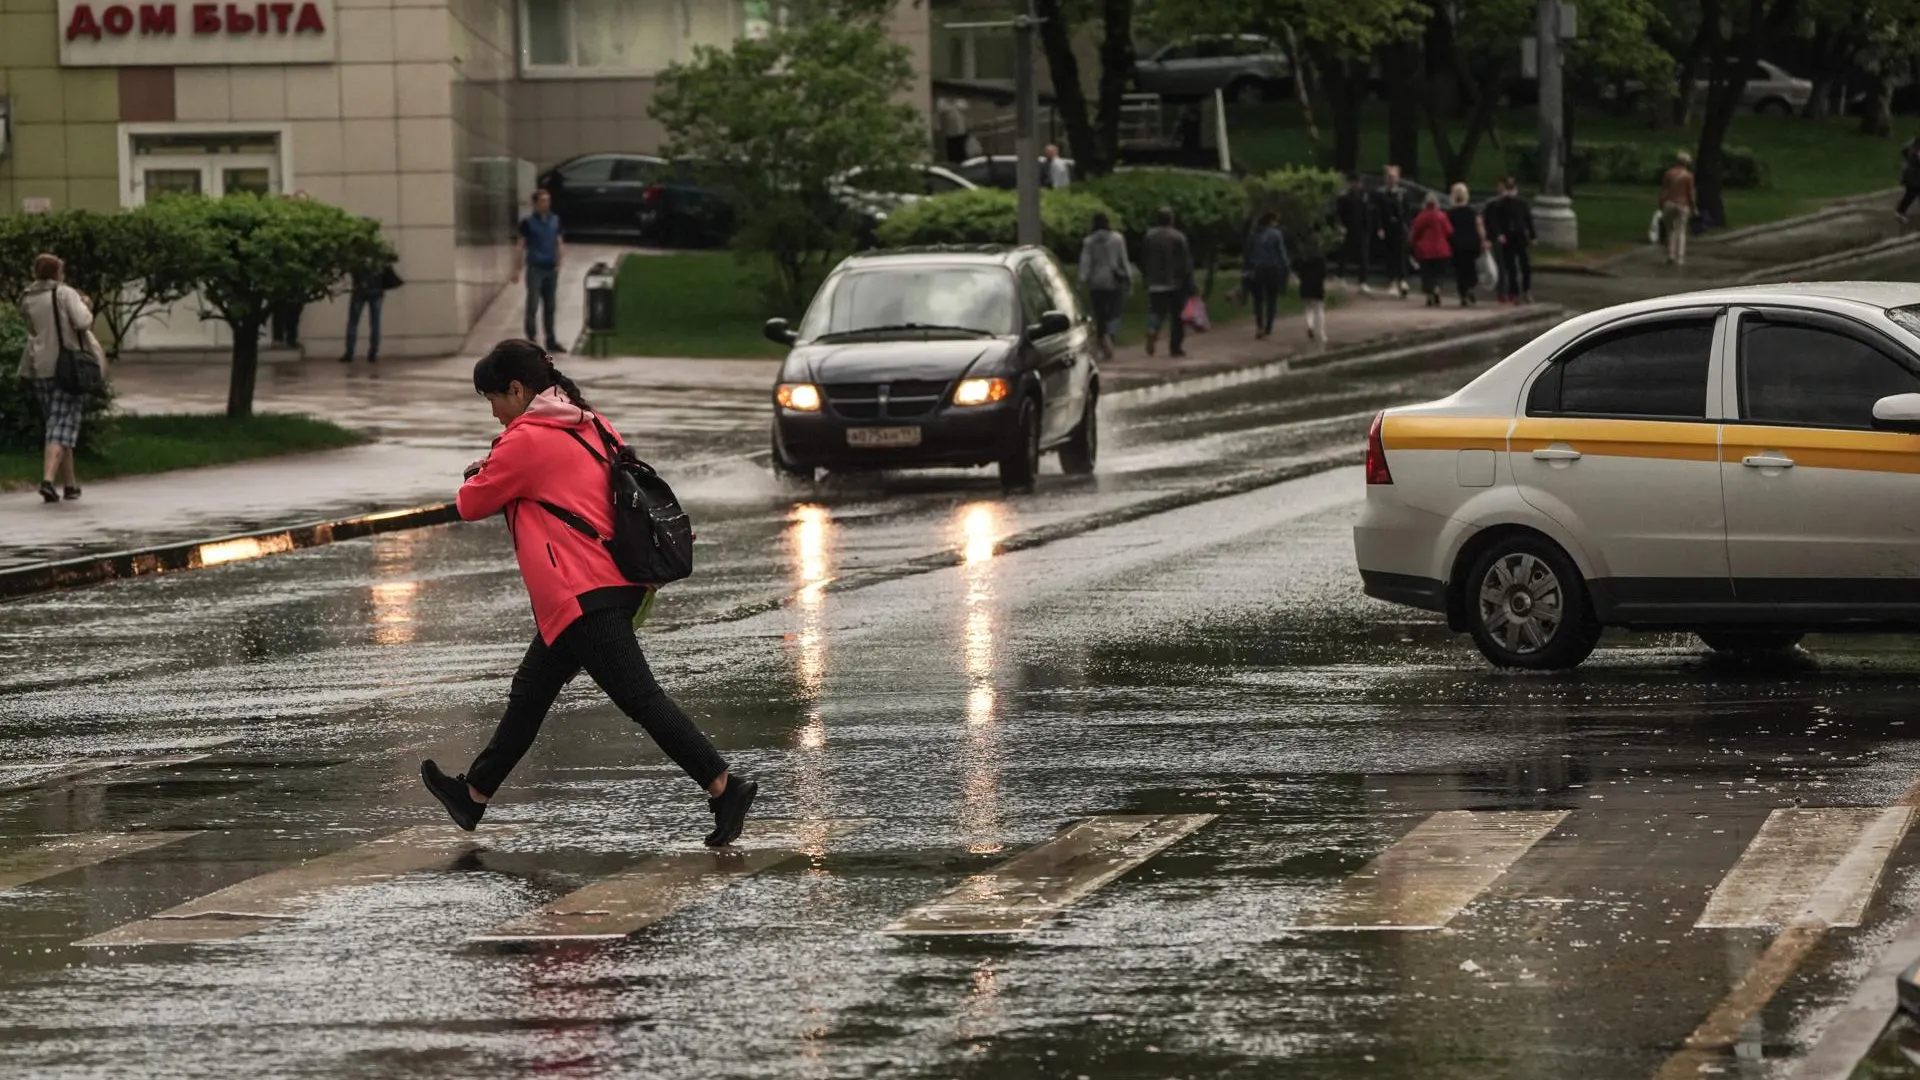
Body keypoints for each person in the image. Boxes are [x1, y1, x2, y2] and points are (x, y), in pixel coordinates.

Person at [421, 339, 757, 845]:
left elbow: (470, 503)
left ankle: (723, 787)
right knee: (529, 694)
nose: (492, 411)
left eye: (492, 398)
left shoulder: (526, 439)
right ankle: (473, 796)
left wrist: (482, 470)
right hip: (610, 580)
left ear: (517, 389)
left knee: (640, 698)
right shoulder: (590, 422)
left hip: (582, 589)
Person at [16, 254, 105, 503]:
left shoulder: (26, 296)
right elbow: (83, 320)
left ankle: (70, 484)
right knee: (60, 425)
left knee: (57, 422)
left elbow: (31, 326)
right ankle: (47, 480)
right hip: (67, 366)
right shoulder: (64, 293)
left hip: (39, 366)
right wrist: (85, 304)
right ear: (57, 273)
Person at [1141, 206, 1195, 358]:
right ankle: (1175, 347)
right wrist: (1190, 283)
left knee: (1156, 310)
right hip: (1175, 282)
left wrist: (1146, 276)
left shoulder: (1149, 236)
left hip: (1155, 281)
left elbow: (1143, 258)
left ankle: (1152, 329)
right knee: (1177, 316)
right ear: (1171, 219)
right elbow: (1186, 262)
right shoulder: (1178, 237)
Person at [516, 189, 566, 353]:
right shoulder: (528, 223)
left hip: (550, 268)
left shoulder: (555, 220)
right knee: (533, 304)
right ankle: (531, 339)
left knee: (550, 305)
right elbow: (520, 245)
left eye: (548, 200)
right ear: (535, 203)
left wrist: (559, 260)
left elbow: (558, 241)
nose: (546, 204)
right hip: (535, 268)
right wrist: (517, 267)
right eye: (543, 201)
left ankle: (551, 339)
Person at [1078, 211, 1132, 359]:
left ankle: (1104, 339)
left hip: (1096, 282)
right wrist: (1128, 277)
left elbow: (1085, 262)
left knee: (1100, 313)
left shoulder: (1089, 241)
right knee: (1115, 310)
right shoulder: (1117, 239)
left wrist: (1081, 280)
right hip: (1114, 279)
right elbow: (1123, 259)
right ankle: (1110, 334)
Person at [342, 238, 401, 365]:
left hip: (360, 291)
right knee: (375, 323)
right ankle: (373, 353)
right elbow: (393, 258)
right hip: (377, 291)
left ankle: (349, 353)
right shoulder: (379, 250)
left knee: (353, 322)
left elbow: (349, 267)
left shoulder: (355, 250)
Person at [269, 190, 312, 350]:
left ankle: (291, 337)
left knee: (295, 306)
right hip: (280, 271)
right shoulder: (278, 224)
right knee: (278, 305)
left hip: (297, 273)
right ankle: (279, 337)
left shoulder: (305, 225)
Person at [1485, 177, 1536, 304]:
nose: (1510, 193)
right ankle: (1514, 292)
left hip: (1520, 237)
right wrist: (1499, 234)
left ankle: (1526, 289)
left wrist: (1533, 236)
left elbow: (1528, 220)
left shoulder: (1522, 204)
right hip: (1507, 238)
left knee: (1525, 266)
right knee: (1511, 267)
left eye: (1511, 189)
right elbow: (1494, 222)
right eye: (1508, 189)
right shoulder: (1500, 205)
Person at [1242, 212, 1289, 340]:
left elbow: (1247, 253)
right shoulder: (1276, 234)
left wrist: (1245, 268)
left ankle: (1259, 326)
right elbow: (1281, 253)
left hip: (1256, 269)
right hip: (1272, 269)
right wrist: (1286, 267)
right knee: (1271, 299)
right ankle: (1268, 327)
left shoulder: (1253, 234)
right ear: (1271, 221)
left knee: (1258, 299)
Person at [1370, 165, 1414, 299]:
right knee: (1390, 254)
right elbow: (1377, 212)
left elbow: (1407, 212)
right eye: (1389, 177)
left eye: (1394, 177)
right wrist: (1379, 227)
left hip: (1400, 227)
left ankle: (1403, 280)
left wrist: (1409, 226)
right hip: (1387, 227)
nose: (1392, 179)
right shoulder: (1380, 194)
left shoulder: (1403, 193)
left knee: (1401, 254)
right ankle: (1392, 280)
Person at [1445, 182, 1488, 307]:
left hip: (1456, 244)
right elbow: (1479, 227)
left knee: (1459, 270)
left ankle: (1463, 293)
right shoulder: (1473, 212)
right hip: (1472, 243)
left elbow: (1447, 229)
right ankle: (1471, 286)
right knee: (1470, 267)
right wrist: (1483, 240)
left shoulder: (1450, 213)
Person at [1408, 193, 1454, 308]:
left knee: (1427, 274)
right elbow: (1449, 231)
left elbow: (1415, 233)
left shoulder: (1421, 216)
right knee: (1439, 273)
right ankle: (1437, 288)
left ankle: (1429, 295)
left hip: (1425, 250)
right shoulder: (1442, 216)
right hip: (1441, 249)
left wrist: (1412, 245)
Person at [1336, 173, 1373, 291]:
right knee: (1344, 254)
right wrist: (1340, 226)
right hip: (1348, 228)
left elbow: (1367, 213)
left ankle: (1363, 281)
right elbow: (1338, 213)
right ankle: (1341, 277)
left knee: (1363, 256)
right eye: (1355, 182)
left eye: (1359, 182)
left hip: (1361, 229)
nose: (1357, 185)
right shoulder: (1344, 197)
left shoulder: (1364, 196)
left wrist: (1368, 228)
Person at [1660, 151, 1696, 267]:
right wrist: (1694, 207)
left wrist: (1661, 203)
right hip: (1683, 204)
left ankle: (1670, 255)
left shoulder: (1669, 173)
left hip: (1669, 203)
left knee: (1670, 230)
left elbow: (1664, 190)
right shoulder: (1688, 176)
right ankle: (1679, 257)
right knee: (1681, 231)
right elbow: (1690, 193)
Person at [938, 96, 970, 165]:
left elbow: (964, 108)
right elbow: (942, 111)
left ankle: (962, 165)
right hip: (949, 133)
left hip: (961, 131)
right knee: (952, 153)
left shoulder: (960, 101)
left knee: (961, 151)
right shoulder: (942, 101)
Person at [1899, 133, 1920, 224]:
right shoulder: (1916, 150)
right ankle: (1899, 212)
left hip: (1913, 176)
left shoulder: (1914, 146)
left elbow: (1904, 150)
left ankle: (1900, 212)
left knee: (1912, 194)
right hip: (1913, 177)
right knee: (1911, 194)